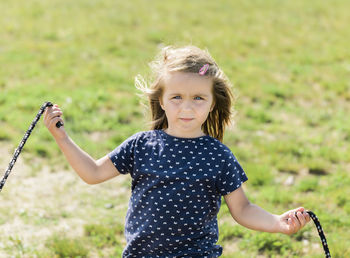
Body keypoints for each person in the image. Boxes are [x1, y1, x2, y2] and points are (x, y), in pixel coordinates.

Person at [44, 45, 311, 257]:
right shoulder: (142, 145)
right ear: (161, 100)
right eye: (176, 97)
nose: (187, 108)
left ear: (211, 103)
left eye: (198, 98)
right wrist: (61, 137)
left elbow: (243, 209)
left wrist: (277, 222)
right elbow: (92, 173)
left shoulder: (218, 156)